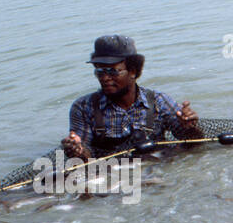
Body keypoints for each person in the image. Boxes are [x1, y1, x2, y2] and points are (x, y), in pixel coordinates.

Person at [62, 35, 201, 160]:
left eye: (113, 71)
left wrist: (189, 126)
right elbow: (85, 157)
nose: (104, 78)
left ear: (133, 71)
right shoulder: (84, 107)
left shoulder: (158, 101)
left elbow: (193, 143)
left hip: (158, 164)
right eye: (99, 71)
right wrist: (77, 149)